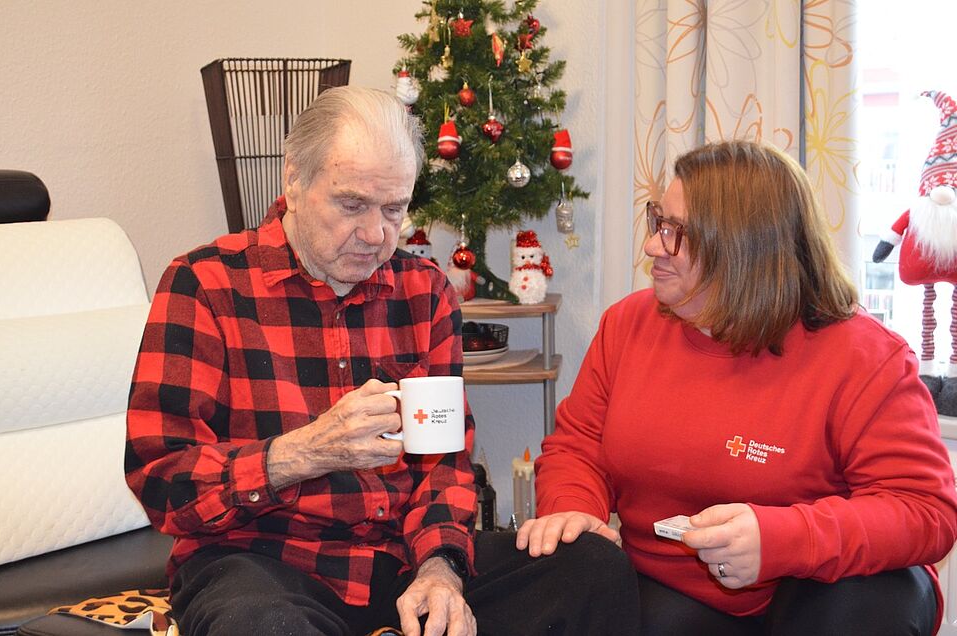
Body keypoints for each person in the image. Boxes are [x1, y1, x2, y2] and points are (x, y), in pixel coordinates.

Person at [125, 86, 638, 636]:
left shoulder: (424, 293)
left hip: (400, 561)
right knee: (263, 625)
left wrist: (440, 569)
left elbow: (445, 465)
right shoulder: (205, 283)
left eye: (394, 209)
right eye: (351, 205)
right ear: (294, 180)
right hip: (262, 562)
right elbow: (161, 480)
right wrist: (303, 452)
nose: (375, 235)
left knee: (592, 567)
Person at [517, 140, 957, 635]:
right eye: (657, 220)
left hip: (821, 588)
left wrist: (781, 539)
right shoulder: (627, 325)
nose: (652, 245)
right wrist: (574, 512)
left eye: (675, 233)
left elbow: (925, 511)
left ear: (744, 251)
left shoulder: (864, 357)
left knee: (868, 603)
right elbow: (579, 449)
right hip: (671, 590)